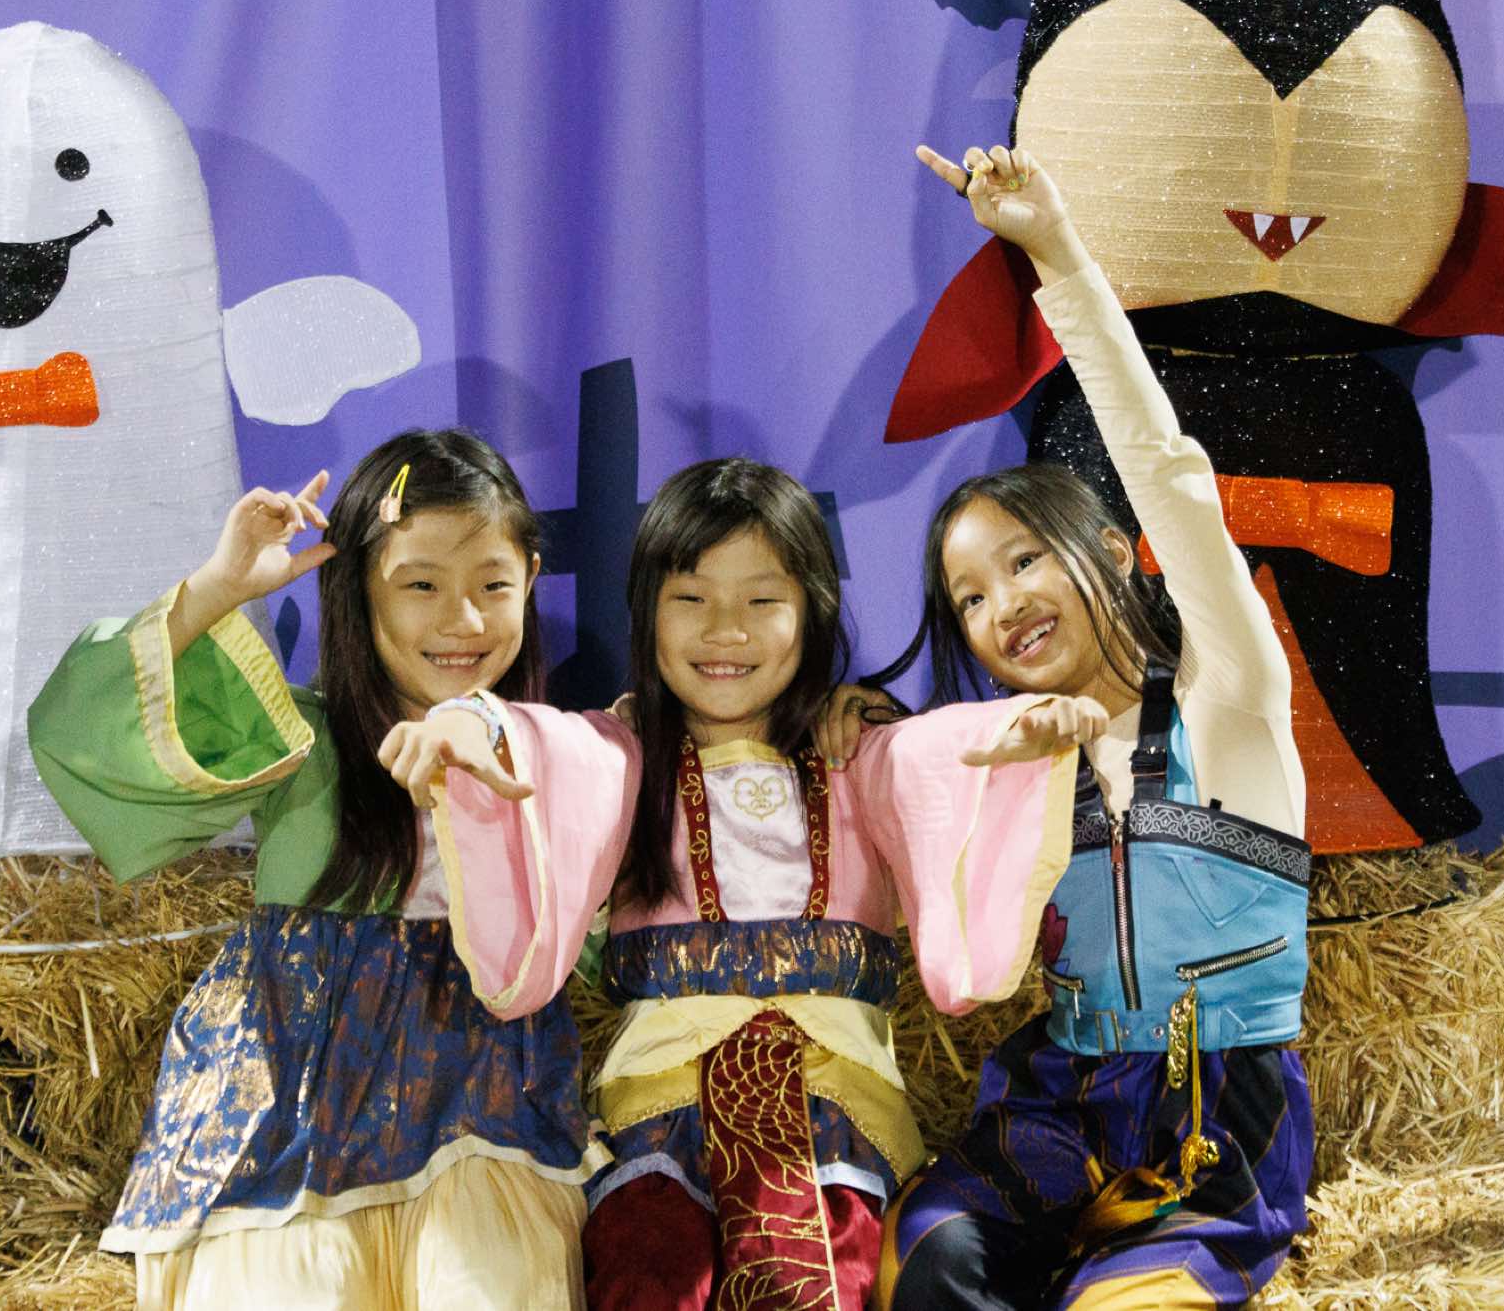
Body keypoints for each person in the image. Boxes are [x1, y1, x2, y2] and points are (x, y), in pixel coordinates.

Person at [383, 456, 1088, 1310]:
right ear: (647, 611)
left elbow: (929, 759)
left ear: (812, 611)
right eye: (691, 598)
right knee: (646, 1272)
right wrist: (475, 729)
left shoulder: (854, 751)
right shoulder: (628, 755)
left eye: (762, 601)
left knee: (813, 1276)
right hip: (661, 1110)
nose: (726, 631)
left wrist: (1014, 732)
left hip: (830, 1109)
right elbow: (553, 752)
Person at [845, 144, 1313, 1310]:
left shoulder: (1226, 699)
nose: (999, 606)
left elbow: (1168, 473)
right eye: (967, 597)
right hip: (1052, 1104)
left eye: (1021, 562)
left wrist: (1052, 251)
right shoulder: (1004, 761)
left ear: (1109, 548)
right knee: (930, 1258)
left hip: (1211, 1121)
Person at [26, 430, 604, 1311]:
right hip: (286, 1122)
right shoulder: (298, 743)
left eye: (492, 584)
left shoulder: (549, 759)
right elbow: (78, 727)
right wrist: (218, 587)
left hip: (489, 1116)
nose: (462, 620)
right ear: (357, 588)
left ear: (529, 577)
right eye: (421, 585)